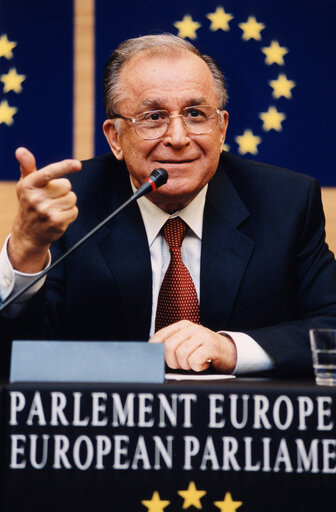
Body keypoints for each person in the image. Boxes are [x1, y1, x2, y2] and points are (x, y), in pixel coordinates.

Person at [1, 34, 336, 380]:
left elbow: (331, 328)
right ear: (115, 138)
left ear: (221, 129)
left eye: (195, 114)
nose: (177, 138)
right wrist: (26, 252)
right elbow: (21, 353)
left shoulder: (285, 203)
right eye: (153, 117)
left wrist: (232, 349)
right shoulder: (69, 206)